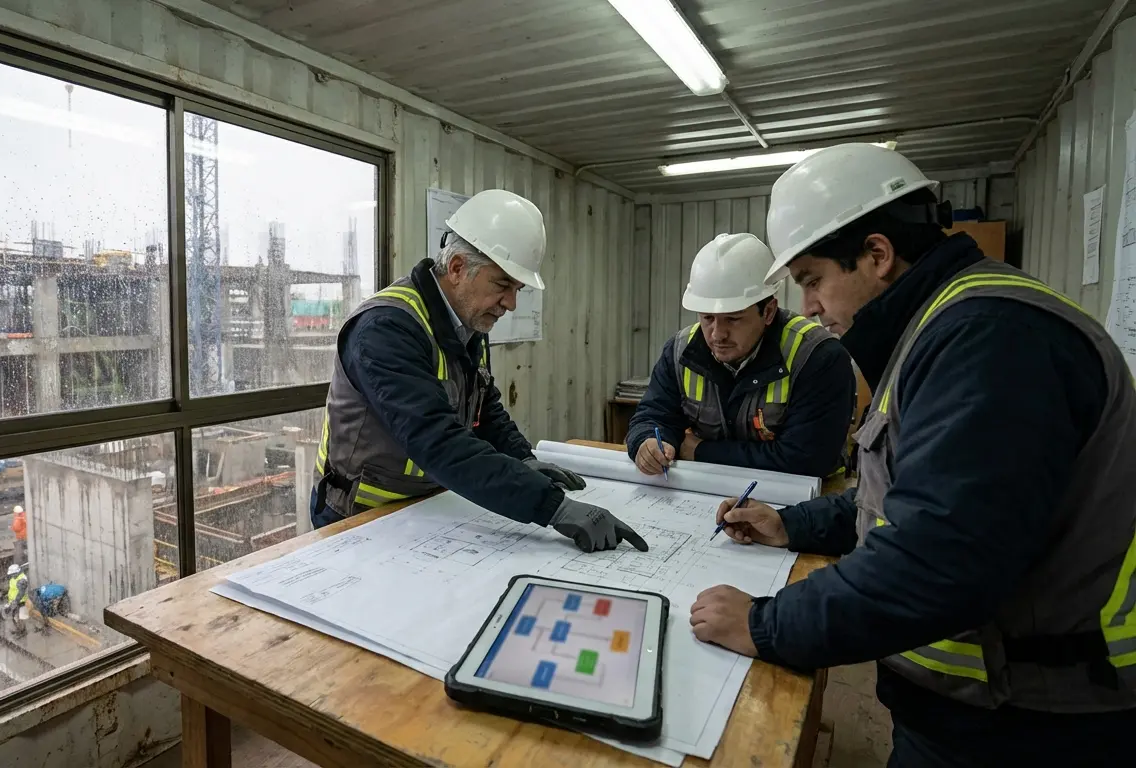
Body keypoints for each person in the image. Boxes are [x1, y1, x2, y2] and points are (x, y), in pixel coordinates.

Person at [686, 143, 1136, 766]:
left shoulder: (991, 340)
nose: (809, 307)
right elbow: (908, 500)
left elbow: (939, 557)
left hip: (1031, 724)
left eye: (813, 281)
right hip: (979, 709)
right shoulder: (941, 329)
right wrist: (790, 523)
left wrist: (766, 624)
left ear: (877, 254)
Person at [311, 188, 647, 554]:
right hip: (360, 516)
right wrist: (552, 506)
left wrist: (523, 458)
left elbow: (485, 407)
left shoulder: (466, 321)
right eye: (503, 285)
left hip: (425, 507)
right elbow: (437, 441)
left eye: (516, 288)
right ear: (457, 268)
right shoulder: (385, 329)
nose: (511, 303)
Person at [626, 233, 855, 478]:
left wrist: (702, 451)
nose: (717, 334)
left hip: (803, 501)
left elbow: (805, 460)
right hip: (712, 490)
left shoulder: (817, 356)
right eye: (707, 318)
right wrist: (647, 441)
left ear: (768, 312)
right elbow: (653, 415)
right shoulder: (680, 351)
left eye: (733, 319)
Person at [4, 564, 29, 637]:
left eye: (13, 574)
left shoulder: (22, 580)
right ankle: (19, 629)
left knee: (20, 618)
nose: (12, 575)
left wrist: (15, 602)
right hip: (13, 601)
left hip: (20, 602)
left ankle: (22, 631)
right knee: (14, 617)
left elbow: (21, 593)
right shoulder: (13, 578)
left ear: (17, 572)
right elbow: (12, 589)